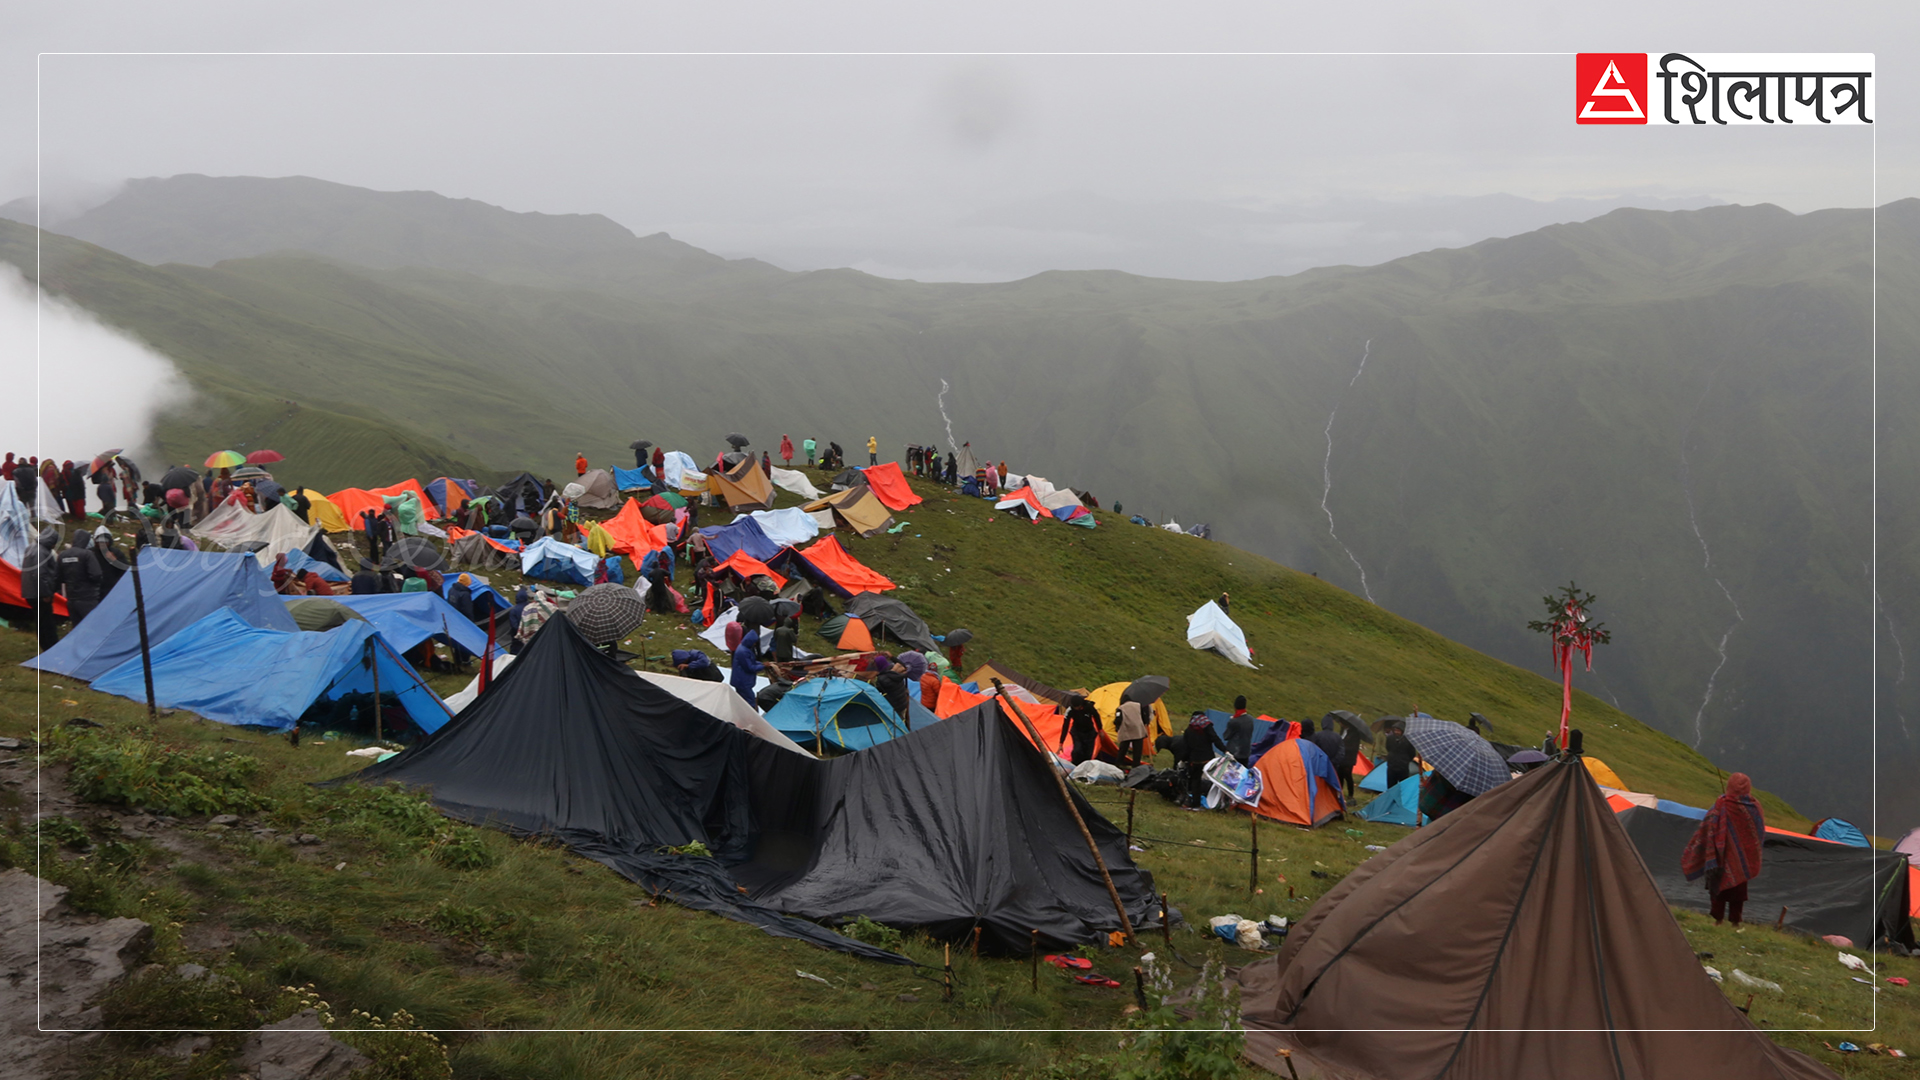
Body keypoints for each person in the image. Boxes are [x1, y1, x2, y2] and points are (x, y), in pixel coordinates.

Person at [1682, 772, 1765, 927]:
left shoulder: (1722, 803)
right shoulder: (1755, 806)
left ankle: (1718, 919)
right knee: (1738, 889)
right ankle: (1735, 921)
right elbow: (1758, 832)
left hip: (1720, 855)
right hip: (1743, 858)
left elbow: (1709, 824)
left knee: (1718, 888)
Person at [20, 528, 60, 649]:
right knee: (47, 624)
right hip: (40, 594)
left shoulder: (31, 547)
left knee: (40, 623)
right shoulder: (41, 551)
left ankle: (46, 648)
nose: (54, 545)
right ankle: (51, 649)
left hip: (31, 592)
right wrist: (46, 593)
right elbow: (40, 574)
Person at [56, 530, 105, 625]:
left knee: (77, 627)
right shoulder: (87, 554)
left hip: (71, 598)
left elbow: (58, 577)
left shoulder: (63, 555)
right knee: (92, 626)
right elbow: (96, 574)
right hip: (88, 598)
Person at [1057, 693, 1100, 765]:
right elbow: (1065, 726)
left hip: (1089, 732)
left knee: (1088, 754)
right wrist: (1061, 743)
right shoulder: (1070, 710)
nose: (1076, 709)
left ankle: (1085, 768)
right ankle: (1075, 765)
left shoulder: (1088, 706)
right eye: (1075, 707)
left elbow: (1096, 716)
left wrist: (1100, 729)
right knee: (1077, 750)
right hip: (1077, 732)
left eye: (1077, 707)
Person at [730, 626, 763, 709]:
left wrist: (760, 664)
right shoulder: (743, 652)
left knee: (740, 701)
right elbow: (750, 667)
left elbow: (751, 662)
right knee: (750, 701)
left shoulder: (744, 648)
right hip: (743, 682)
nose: (755, 644)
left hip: (741, 680)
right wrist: (763, 666)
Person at [875, 656, 913, 724]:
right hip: (902, 702)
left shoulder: (883, 679)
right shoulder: (896, 672)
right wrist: (892, 657)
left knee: (896, 723)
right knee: (902, 720)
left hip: (895, 707)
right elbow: (902, 665)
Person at [91, 526, 127, 597]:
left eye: (105, 542)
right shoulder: (90, 553)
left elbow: (125, 571)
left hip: (112, 589)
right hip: (94, 589)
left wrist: (114, 560)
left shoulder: (116, 553)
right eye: (100, 542)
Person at [1116, 698, 1149, 769]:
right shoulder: (1139, 705)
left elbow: (1118, 719)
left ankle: (1119, 762)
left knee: (1123, 748)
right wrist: (1144, 723)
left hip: (1126, 729)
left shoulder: (1120, 708)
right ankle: (1136, 765)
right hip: (1138, 729)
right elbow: (1144, 716)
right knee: (1138, 749)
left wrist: (1117, 727)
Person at [1223, 695, 1254, 765]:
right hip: (1246, 753)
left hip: (1234, 754)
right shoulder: (1250, 719)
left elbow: (1226, 736)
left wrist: (1231, 720)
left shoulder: (1234, 721)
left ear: (1235, 707)